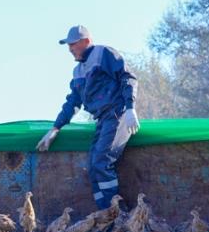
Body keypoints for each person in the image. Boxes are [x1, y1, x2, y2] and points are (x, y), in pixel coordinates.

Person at [36, 25, 140, 209]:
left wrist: (130, 108)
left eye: (73, 44)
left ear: (87, 41)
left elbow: (128, 77)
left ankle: (118, 218)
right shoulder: (78, 72)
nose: (70, 49)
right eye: (68, 45)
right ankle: (105, 216)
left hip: (118, 114)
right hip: (103, 119)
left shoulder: (104, 53)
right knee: (92, 168)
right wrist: (55, 129)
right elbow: (73, 103)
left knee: (101, 162)